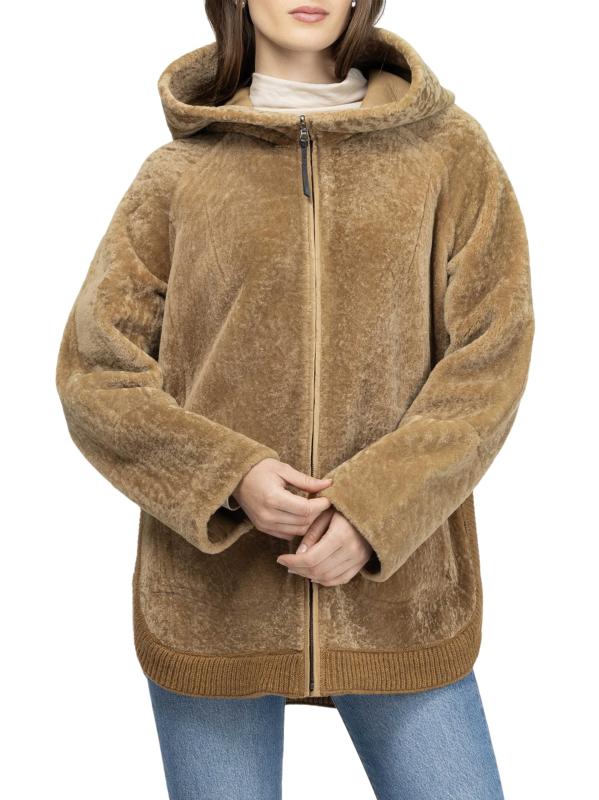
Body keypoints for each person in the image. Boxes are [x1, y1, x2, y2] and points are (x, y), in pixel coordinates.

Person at [55, 1, 535, 798]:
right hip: (215, 602)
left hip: (397, 593)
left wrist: (374, 509)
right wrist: (229, 476)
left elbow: (491, 357)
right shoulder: (177, 174)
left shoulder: (448, 152)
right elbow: (95, 374)